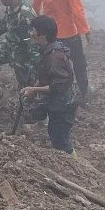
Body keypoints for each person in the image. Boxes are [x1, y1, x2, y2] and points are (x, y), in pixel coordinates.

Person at [32, 0, 92, 100]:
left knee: (48, 64)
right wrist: (86, 32)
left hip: (49, 34)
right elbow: (77, 12)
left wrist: (36, 28)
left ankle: (44, 93)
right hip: (68, 34)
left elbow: (35, 6)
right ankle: (84, 93)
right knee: (79, 64)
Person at [21, 16, 78, 154]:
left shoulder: (55, 57)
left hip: (64, 105)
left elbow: (58, 86)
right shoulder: (48, 51)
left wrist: (34, 89)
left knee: (61, 140)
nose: (30, 33)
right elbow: (45, 76)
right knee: (54, 134)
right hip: (58, 103)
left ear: (43, 34)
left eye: (33, 30)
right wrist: (33, 89)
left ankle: (75, 165)